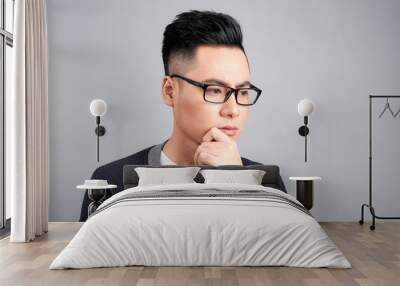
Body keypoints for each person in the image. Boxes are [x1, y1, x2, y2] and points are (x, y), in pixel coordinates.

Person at [79, 10, 285, 222]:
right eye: (214, 90)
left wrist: (239, 181)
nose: (233, 110)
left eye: (242, 92)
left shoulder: (266, 184)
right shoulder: (110, 182)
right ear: (170, 91)